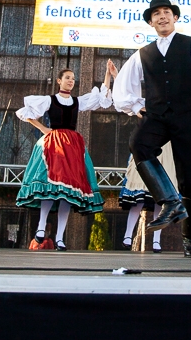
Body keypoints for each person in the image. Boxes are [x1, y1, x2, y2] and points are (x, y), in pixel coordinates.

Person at [113, 0, 191, 258]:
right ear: (151, 22)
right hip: (157, 116)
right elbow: (124, 87)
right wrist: (135, 107)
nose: (162, 16)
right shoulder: (142, 54)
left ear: (175, 17)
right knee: (139, 143)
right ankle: (170, 202)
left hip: (187, 117)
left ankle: (190, 241)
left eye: (166, 12)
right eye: (156, 14)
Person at [15, 63, 116, 251]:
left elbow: (101, 98)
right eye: (67, 78)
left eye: (73, 78)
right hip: (54, 144)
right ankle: (41, 226)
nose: (71, 81)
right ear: (59, 81)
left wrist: (108, 75)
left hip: (72, 147)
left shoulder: (77, 102)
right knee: (50, 186)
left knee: (67, 193)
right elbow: (25, 113)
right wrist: (44, 129)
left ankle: (60, 237)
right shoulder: (50, 100)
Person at [118, 142, 178, 253]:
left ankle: (156, 240)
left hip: (165, 149)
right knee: (139, 195)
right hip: (146, 146)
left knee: (160, 197)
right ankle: (128, 235)